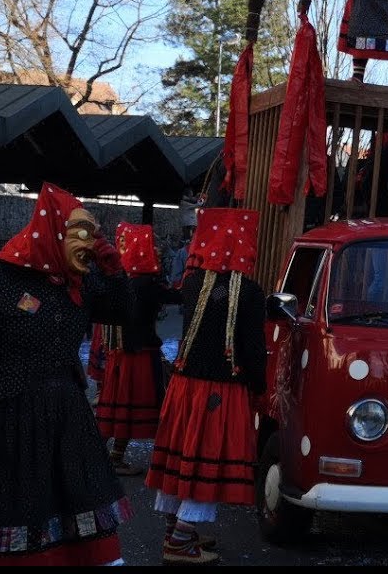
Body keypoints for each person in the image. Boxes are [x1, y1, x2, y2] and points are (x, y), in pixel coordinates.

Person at [0, 183, 132, 565]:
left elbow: (123, 314)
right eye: (82, 233)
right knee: (9, 516)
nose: (89, 244)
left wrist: (115, 273)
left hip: (67, 420)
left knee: (80, 514)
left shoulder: (81, 288)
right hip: (4, 421)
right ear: (53, 232)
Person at [144, 207, 267, 565]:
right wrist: (257, 386)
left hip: (184, 388)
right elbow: (253, 349)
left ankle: (179, 531)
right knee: (206, 463)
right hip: (220, 390)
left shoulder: (193, 283)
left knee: (182, 459)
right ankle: (180, 541)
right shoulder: (250, 291)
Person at [93, 222, 179, 477]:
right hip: (139, 354)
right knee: (130, 407)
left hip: (119, 354)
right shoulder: (146, 284)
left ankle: (99, 454)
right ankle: (115, 457)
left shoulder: (121, 281)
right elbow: (178, 297)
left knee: (116, 406)